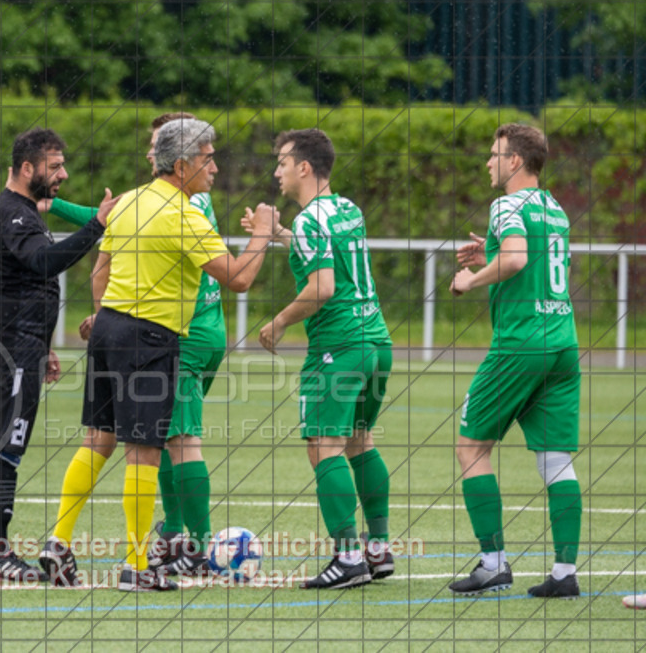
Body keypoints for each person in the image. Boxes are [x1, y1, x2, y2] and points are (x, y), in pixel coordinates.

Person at [40, 118, 278, 592]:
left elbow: (100, 271)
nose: (214, 167)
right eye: (208, 158)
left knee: (96, 440)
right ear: (184, 163)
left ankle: (58, 543)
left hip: (109, 329)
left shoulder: (127, 201)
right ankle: (135, 565)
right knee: (144, 453)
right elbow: (239, 278)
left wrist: (103, 314)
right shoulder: (185, 214)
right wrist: (263, 236)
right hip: (149, 338)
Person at [0, 127, 116, 583]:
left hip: (11, 340)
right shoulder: (15, 213)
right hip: (7, 345)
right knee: (1, 449)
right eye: (54, 167)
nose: (63, 174)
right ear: (27, 168)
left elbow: (25, 283)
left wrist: (45, 344)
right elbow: (43, 264)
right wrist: (96, 227)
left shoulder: (17, 209)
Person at [448, 123, 582, 598]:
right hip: (563, 343)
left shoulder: (506, 204)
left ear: (515, 161)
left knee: (471, 447)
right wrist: (490, 252)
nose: (488, 161)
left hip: (521, 343)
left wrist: (472, 278)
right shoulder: (554, 207)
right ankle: (565, 575)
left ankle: (493, 564)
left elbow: (518, 260)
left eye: (494, 154)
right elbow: (543, 264)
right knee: (555, 460)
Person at [258, 129, 394, 590]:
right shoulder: (345, 208)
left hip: (339, 347)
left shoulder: (311, 219)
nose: (276, 171)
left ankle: (347, 558)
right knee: (361, 441)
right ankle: (378, 548)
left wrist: (277, 323)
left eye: (282, 162)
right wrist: (280, 234)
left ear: (304, 167)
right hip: (376, 341)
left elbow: (321, 288)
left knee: (324, 446)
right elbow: (325, 252)